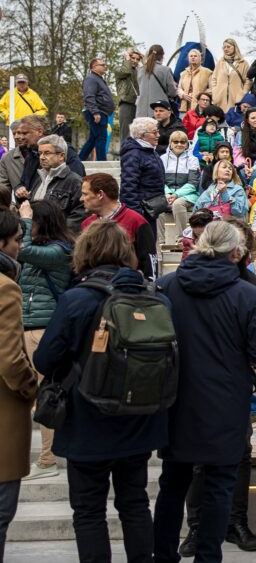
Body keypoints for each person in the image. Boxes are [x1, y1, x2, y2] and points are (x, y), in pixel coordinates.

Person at [32, 221, 166, 562]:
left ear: (85, 252)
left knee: (89, 511)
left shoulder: (76, 299)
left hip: (86, 419)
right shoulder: (154, 298)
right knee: (135, 504)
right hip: (140, 417)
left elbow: (45, 358)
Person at [152, 221, 256, 560]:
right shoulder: (247, 294)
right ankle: (208, 556)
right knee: (219, 486)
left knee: (172, 483)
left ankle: (163, 554)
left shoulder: (166, 286)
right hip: (225, 401)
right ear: (236, 254)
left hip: (174, 399)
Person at [16, 199, 73, 482]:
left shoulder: (58, 251)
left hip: (42, 329)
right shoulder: (46, 249)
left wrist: (25, 220)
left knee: (44, 396)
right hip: (29, 326)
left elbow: (24, 251)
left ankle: (47, 458)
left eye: (32, 221)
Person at [0, 209, 38, 559]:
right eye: (16, 240)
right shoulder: (6, 288)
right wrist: (31, 389)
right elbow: (11, 359)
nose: (20, 246)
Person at [80, 173, 157, 280]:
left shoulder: (137, 222)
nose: (81, 199)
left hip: (127, 291)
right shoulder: (86, 224)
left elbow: (149, 265)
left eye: (85, 194)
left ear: (100, 194)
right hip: (93, 290)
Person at [26, 134, 87, 231]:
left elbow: (79, 216)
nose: (42, 157)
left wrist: (56, 233)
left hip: (59, 241)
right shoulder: (39, 179)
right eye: (40, 153)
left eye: (47, 153)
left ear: (61, 156)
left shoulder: (74, 182)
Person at [120, 117, 166, 234]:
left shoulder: (149, 150)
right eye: (154, 132)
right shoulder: (133, 154)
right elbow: (128, 185)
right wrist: (135, 213)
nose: (158, 135)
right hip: (141, 210)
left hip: (150, 208)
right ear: (142, 135)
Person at [80, 58, 116, 161]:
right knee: (101, 137)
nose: (105, 67)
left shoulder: (98, 79)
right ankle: (102, 162)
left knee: (93, 139)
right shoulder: (91, 79)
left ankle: (79, 160)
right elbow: (89, 96)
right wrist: (95, 112)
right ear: (94, 67)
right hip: (97, 112)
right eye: (102, 65)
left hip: (101, 112)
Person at [136, 45, 181, 120]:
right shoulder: (165, 70)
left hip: (141, 112)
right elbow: (172, 93)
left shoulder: (140, 70)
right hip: (159, 111)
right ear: (162, 56)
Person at [210, 39, 253, 112]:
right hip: (220, 99)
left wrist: (243, 93)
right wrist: (215, 91)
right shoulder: (220, 62)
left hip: (236, 99)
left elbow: (248, 80)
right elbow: (214, 78)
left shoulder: (243, 63)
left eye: (228, 47)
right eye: (224, 47)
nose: (226, 49)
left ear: (234, 47)